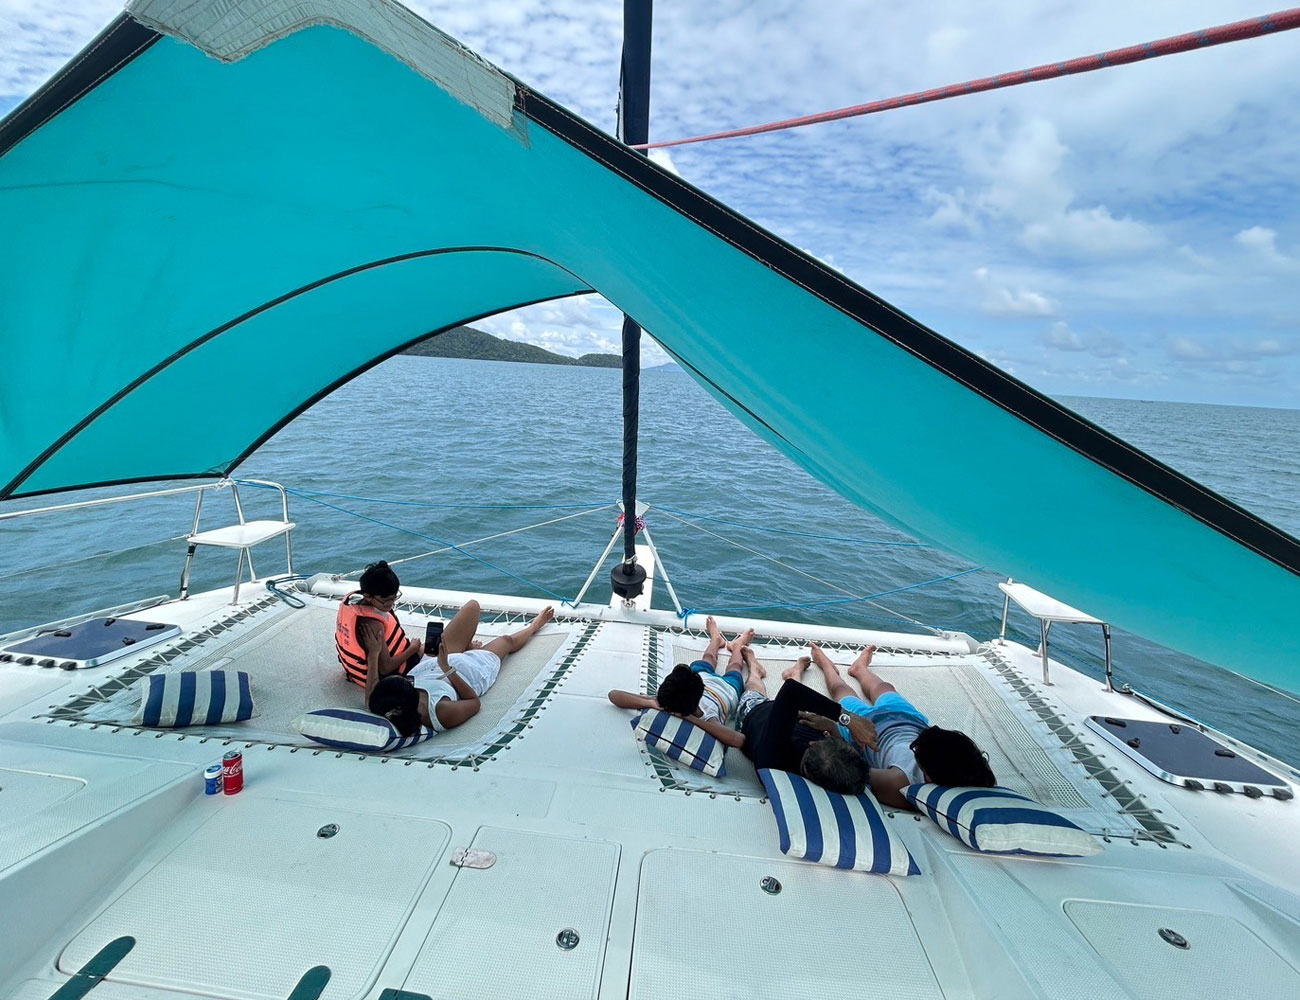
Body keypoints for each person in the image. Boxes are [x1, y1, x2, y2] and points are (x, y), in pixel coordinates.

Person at [791, 643, 996, 808]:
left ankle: (826, 666)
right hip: (907, 719)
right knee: (884, 687)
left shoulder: (899, 783)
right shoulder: (976, 773)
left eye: (915, 752)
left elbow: (852, 767)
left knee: (841, 690)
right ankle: (860, 670)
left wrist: (836, 729)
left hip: (868, 732)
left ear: (927, 775)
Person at [369, 600, 555, 734]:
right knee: (506, 641)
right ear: (411, 695)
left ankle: (467, 646)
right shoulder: (441, 711)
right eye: (408, 681)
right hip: (464, 672)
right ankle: (534, 626)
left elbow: (372, 690)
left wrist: (374, 654)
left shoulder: (381, 703)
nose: (407, 679)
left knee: (472, 607)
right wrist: (447, 668)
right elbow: (474, 703)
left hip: (431, 663)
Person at [607, 617, 754, 724]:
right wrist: (651, 703)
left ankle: (716, 640)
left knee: (708, 658)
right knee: (735, 666)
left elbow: (614, 695)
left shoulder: (671, 701)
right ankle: (737, 646)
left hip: (703, 679)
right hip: (727, 690)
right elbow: (737, 740)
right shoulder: (709, 717)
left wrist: (650, 703)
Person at [335, 560, 422, 689]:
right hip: (385, 677)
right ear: (368, 596)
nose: (391, 604)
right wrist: (413, 649)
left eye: (394, 597)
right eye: (385, 600)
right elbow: (385, 667)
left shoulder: (356, 607)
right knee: (431, 647)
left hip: (357, 674)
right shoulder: (373, 625)